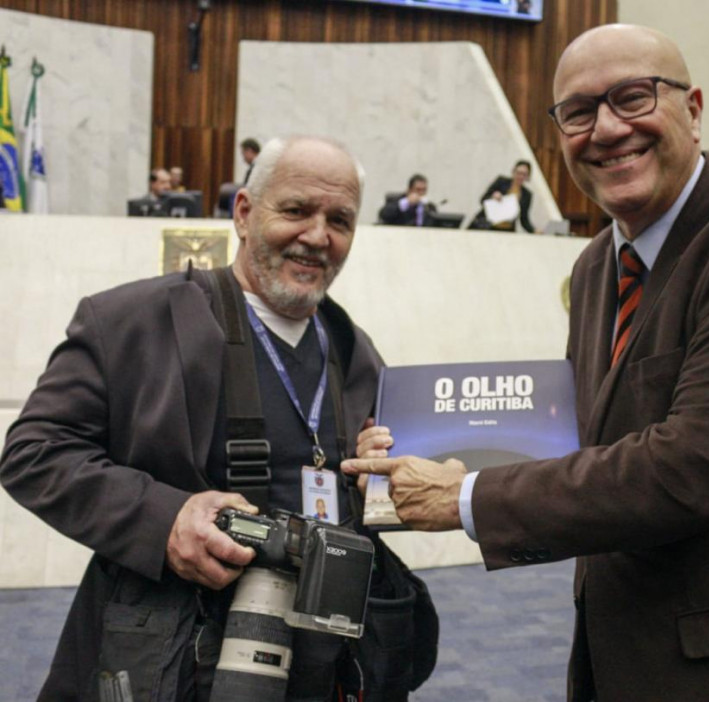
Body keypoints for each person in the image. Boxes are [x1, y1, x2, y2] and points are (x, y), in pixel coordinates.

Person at [344, 24, 709, 701]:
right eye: (578, 112)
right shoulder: (597, 267)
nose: (607, 128)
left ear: (694, 110)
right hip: (628, 653)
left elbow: (691, 468)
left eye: (632, 97)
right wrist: (424, 453)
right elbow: (587, 444)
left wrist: (461, 496)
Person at [1, 136, 435, 701]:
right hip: (173, 659)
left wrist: (376, 482)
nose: (317, 236)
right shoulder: (130, 321)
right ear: (245, 214)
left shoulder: (356, 351)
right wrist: (166, 519)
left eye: (340, 221)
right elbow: (34, 453)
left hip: (322, 663)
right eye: (297, 210)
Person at [468, 160, 535, 232]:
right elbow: (483, 200)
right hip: (487, 226)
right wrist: (492, 197)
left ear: (528, 176)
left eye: (524, 174)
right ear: (513, 172)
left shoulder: (527, 195)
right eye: (518, 173)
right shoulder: (501, 182)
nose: (520, 176)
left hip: (506, 230)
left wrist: (534, 230)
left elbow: (524, 219)